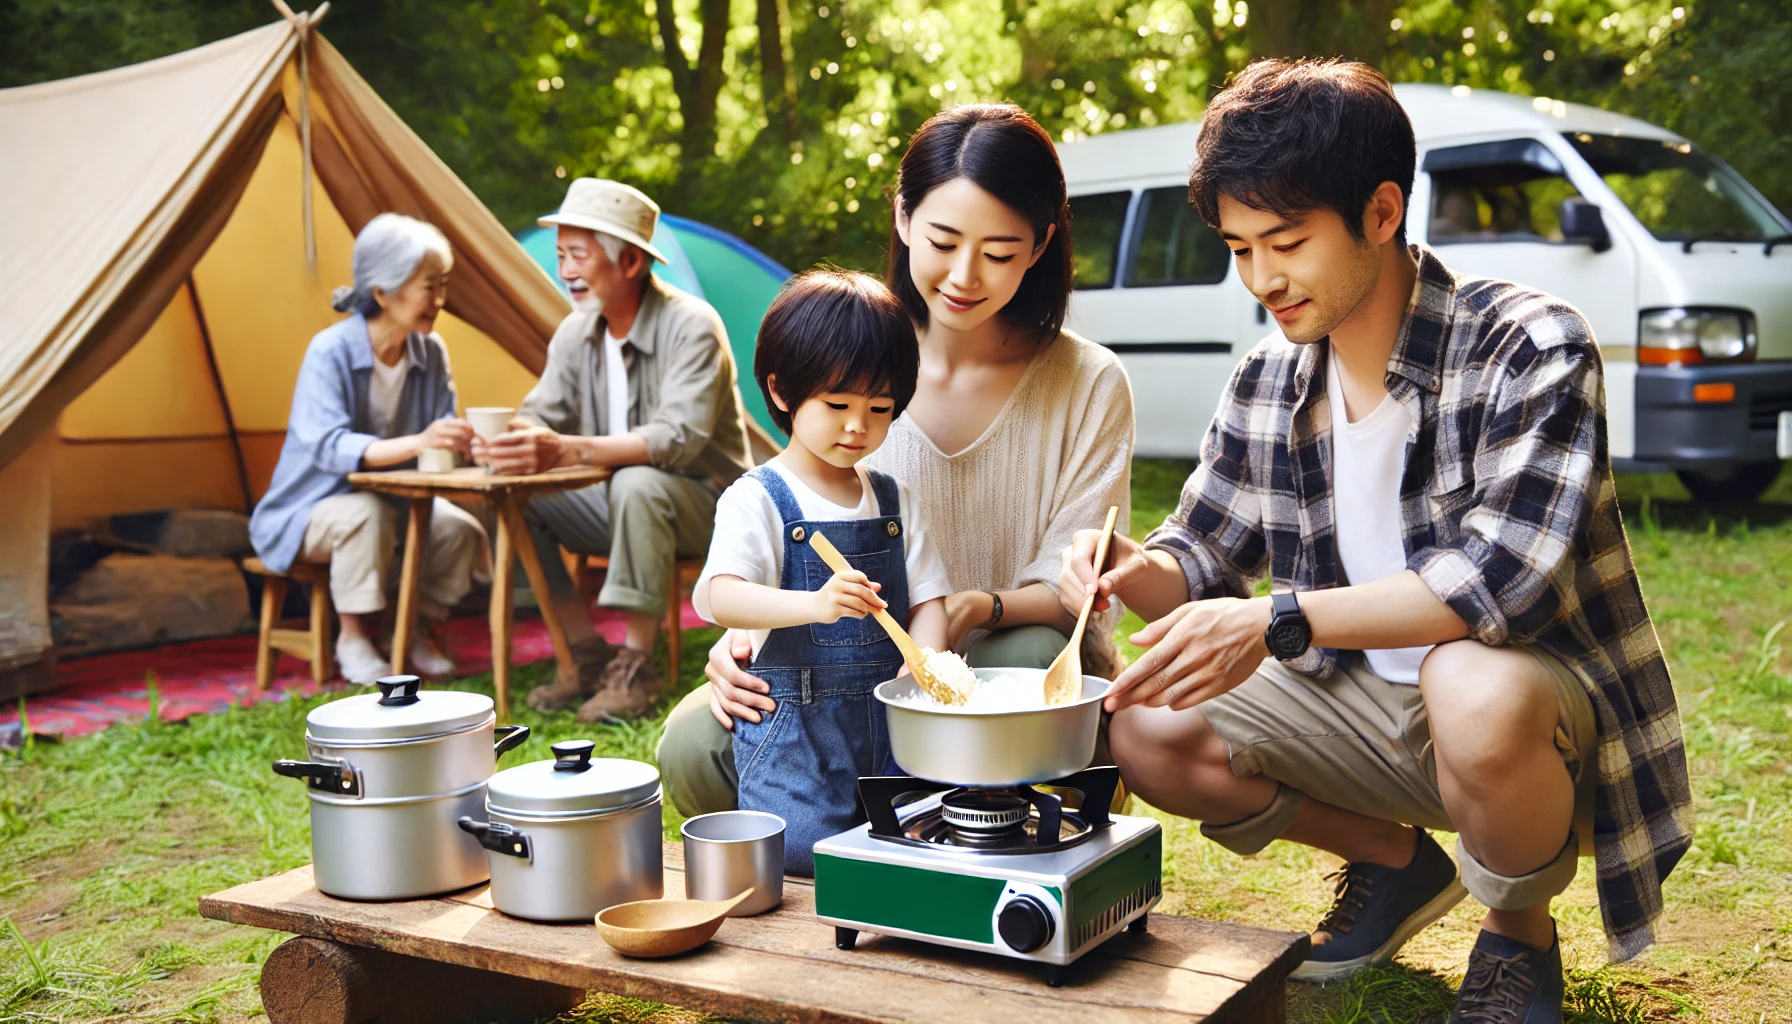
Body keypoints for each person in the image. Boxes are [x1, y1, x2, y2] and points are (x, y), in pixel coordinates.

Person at [1059, 60, 1692, 1024]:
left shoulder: (1529, 345)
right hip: (1349, 698)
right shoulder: (1269, 378)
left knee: (1469, 680)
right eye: (1238, 248)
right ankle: (1392, 862)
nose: (1262, 278)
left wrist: (1278, 620)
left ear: (1382, 211)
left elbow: (1501, 586)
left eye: (1287, 241)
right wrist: (1127, 571)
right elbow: (1199, 556)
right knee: (1143, 726)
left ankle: (1519, 939)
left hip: (1519, 718)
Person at [657, 103, 1136, 818]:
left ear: (1039, 247)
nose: (965, 276)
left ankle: (974, 839)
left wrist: (979, 609)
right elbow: (775, 533)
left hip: (1016, 663)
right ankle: (824, 871)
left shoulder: (1087, 381)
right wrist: (742, 639)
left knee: (1030, 653)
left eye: (1000, 253)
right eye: (943, 240)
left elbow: (1082, 592)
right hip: (839, 662)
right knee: (693, 746)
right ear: (904, 217)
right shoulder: (853, 358)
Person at [696, 269, 949, 874]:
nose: (857, 426)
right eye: (836, 404)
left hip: (893, 726)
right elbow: (721, 597)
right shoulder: (759, 498)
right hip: (795, 736)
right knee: (800, 853)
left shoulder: (895, 501)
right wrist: (813, 603)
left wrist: (929, 668)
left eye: (879, 408)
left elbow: (932, 602)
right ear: (783, 393)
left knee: (916, 841)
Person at [481, 178, 753, 722]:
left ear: (630, 262)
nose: (565, 272)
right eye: (560, 256)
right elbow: (541, 415)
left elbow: (675, 440)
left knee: (637, 481)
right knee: (512, 496)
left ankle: (636, 665)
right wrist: (513, 441)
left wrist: (565, 451)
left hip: (712, 507)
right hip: (619, 505)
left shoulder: (692, 326)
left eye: (578, 255)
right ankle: (584, 653)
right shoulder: (575, 334)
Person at [250, 213, 486, 683]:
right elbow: (330, 447)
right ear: (383, 292)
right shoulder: (329, 351)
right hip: (308, 509)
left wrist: (464, 442)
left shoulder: (430, 351)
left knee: (460, 530)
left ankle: (410, 628)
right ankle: (353, 637)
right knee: (365, 515)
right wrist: (420, 442)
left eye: (443, 286)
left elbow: (440, 427)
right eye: (429, 286)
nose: (439, 300)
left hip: (396, 501)